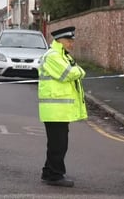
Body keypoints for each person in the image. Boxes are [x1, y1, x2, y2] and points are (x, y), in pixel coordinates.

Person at [38, 26, 87, 187]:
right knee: (58, 144)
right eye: (69, 40)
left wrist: (76, 70)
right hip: (54, 109)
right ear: (60, 41)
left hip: (59, 110)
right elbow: (67, 74)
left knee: (57, 143)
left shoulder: (62, 55)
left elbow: (71, 71)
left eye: (72, 40)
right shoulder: (53, 56)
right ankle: (55, 175)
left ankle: (49, 171)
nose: (72, 43)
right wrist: (80, 70)